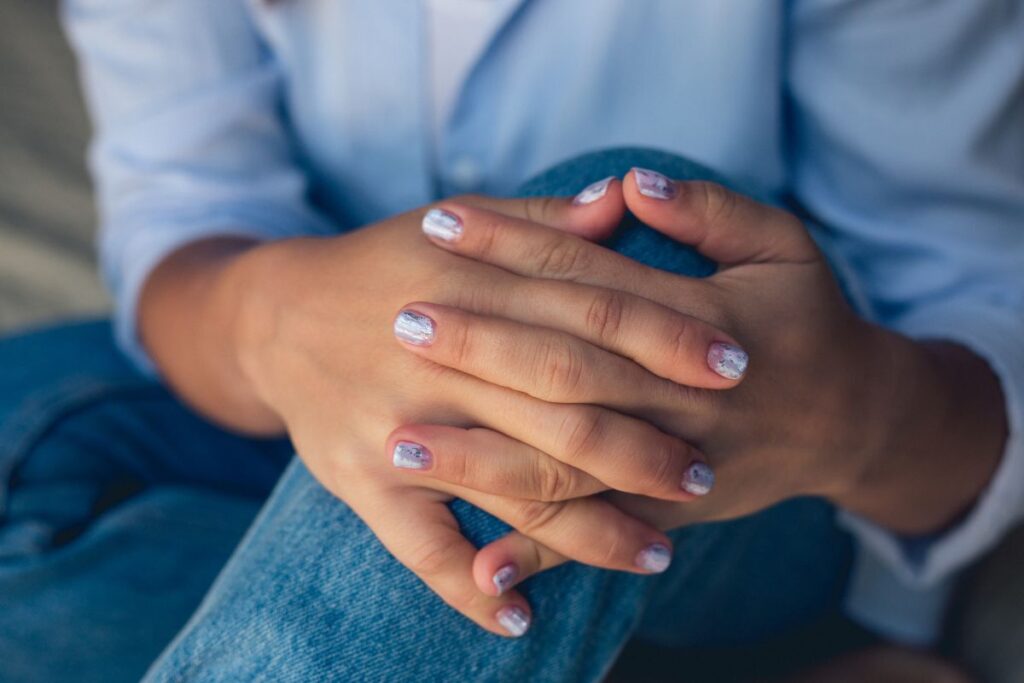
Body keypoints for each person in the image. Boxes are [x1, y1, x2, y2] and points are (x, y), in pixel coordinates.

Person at [1, 1, 1020, 680]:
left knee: (625, 267)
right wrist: (278, 310)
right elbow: (183, 201)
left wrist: (854, 414)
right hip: (306, 426)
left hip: (744, 482)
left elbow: (974, 291)